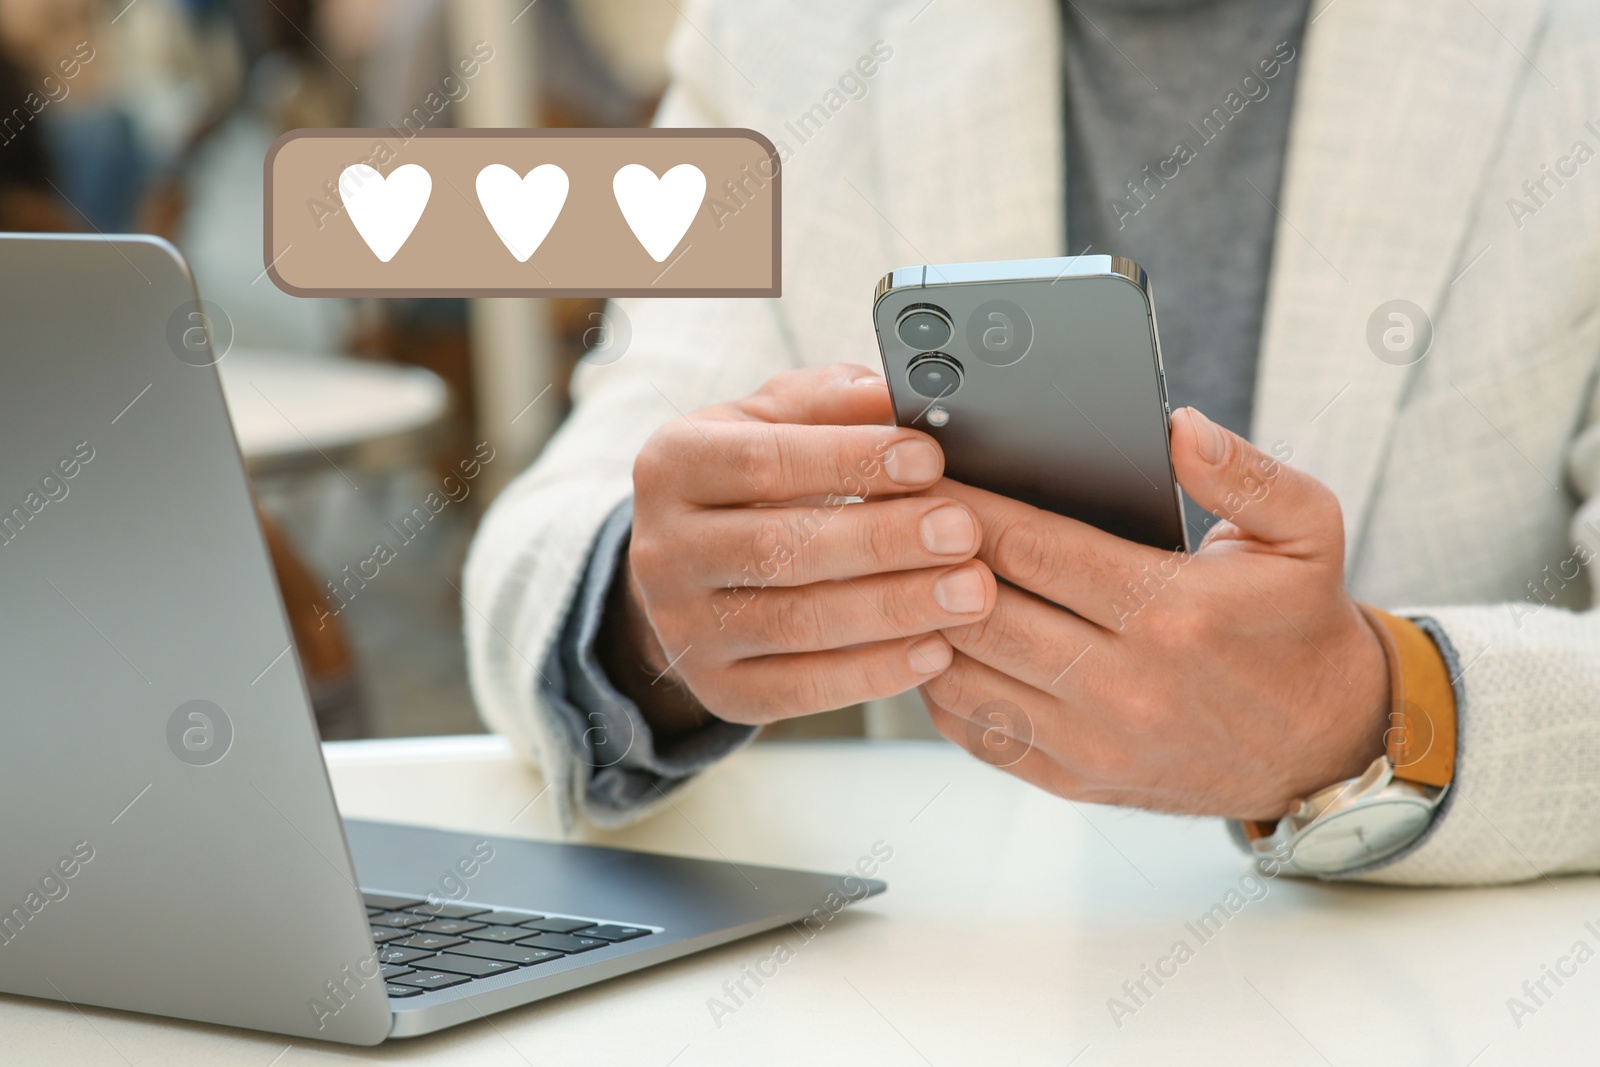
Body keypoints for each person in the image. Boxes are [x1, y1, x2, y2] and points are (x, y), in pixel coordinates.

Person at [464, 0, 1600, 885]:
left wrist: (1367, 712)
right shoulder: (782, 30)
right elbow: (557, 533)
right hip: (948, 976)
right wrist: (654, 615)